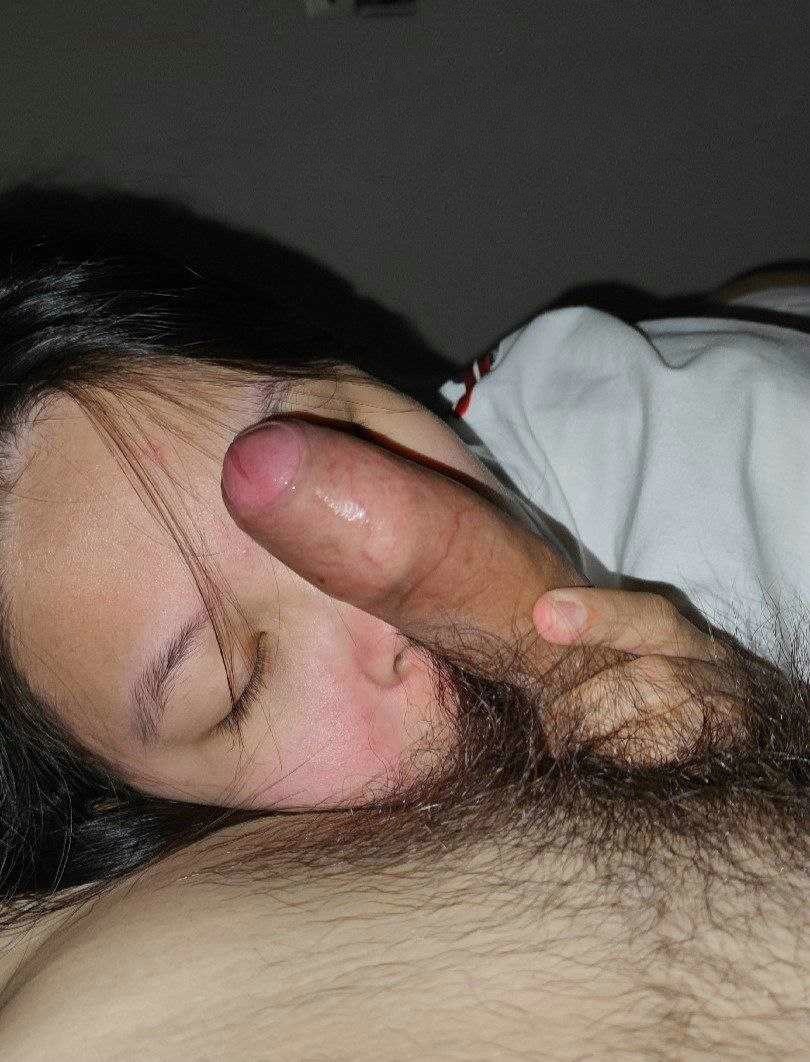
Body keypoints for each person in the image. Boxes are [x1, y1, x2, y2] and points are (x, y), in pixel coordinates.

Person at [0, 181, 807, 1031]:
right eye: (238, 682)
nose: (385, 620)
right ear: (125, 803)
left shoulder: (735, 438)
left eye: (343, 439)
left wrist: (772, 752)